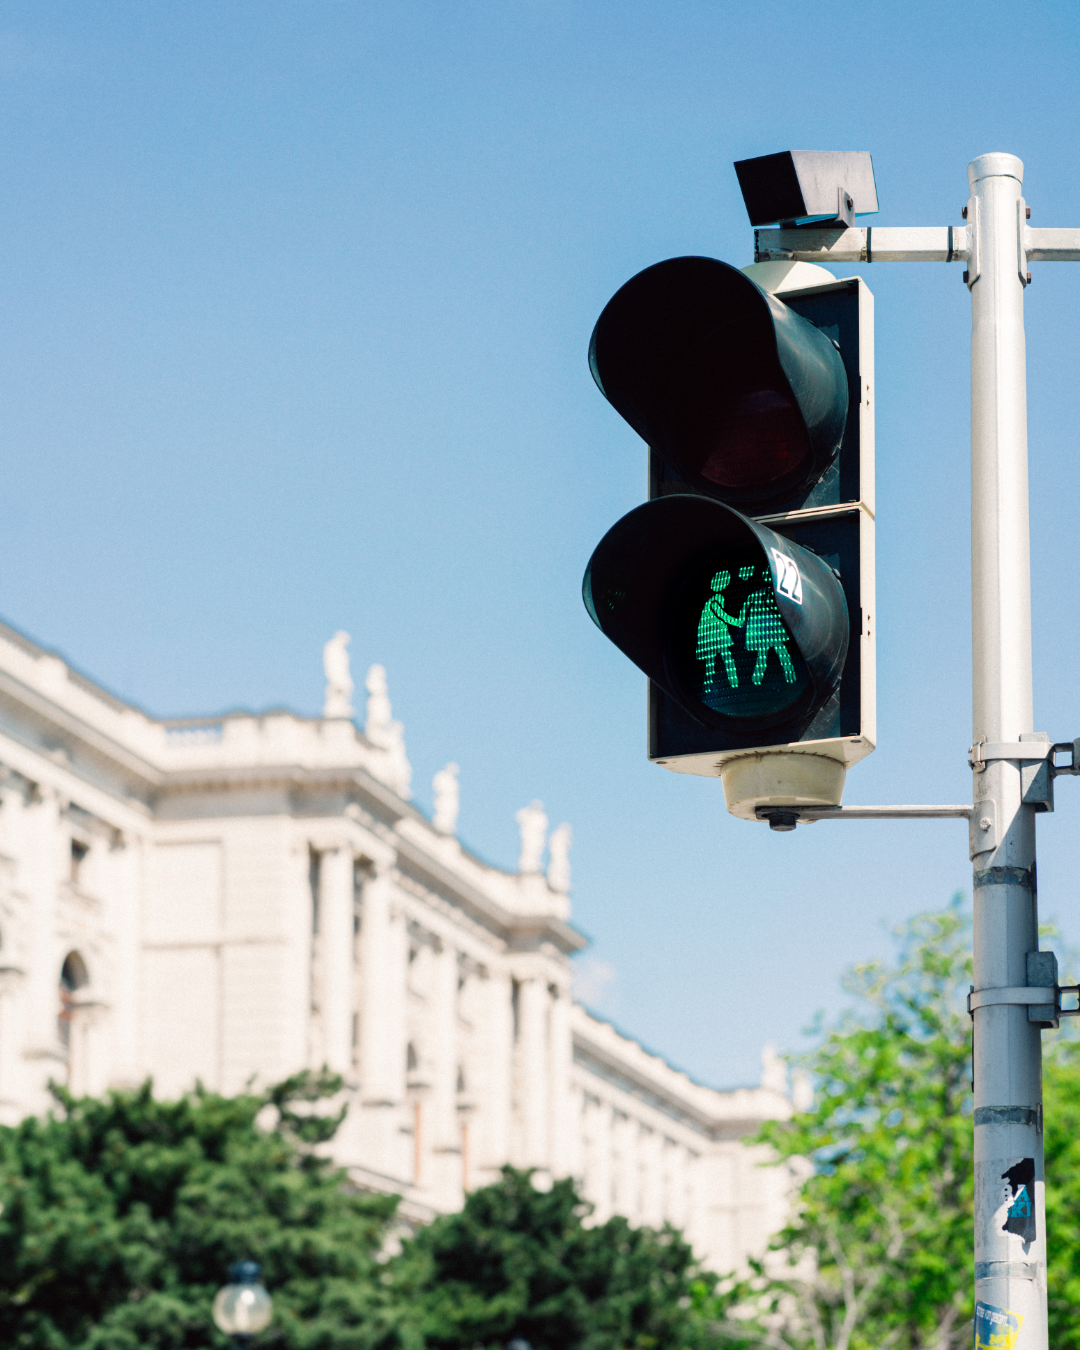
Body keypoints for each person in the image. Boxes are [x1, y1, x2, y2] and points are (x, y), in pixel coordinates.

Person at [739, 564, 796, 685]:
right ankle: (789, 676)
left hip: (760, 629)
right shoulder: (771, 593)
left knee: (765, 655)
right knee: (780, 652)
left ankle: (757, 680)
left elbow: (744, 611)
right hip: (771, 628)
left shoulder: (758, 594)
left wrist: (740, 620)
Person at [695, 569, 743, 692]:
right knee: (726, 657)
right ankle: (734, 683)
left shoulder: (711, 599)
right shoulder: (715, 599)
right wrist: (737, 622)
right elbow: (721, 614)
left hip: (710, 637)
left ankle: (708, 686)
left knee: (711, 663)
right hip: (716, 636)